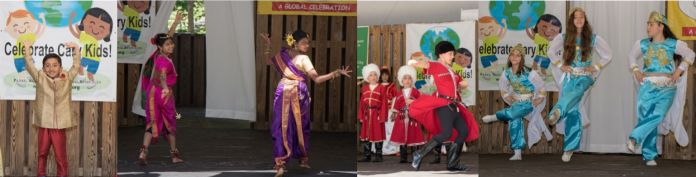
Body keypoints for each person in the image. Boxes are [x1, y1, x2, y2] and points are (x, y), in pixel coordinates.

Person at [259, 30, 351, 177]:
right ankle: (289, 160)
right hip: (290, 94)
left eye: (308, 43)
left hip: (290, 93)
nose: (307, 45)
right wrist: (336, 73)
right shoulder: (295, 57)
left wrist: (335, 73)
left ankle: (291, 159)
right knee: (290, 126)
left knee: (290, 126)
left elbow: (317, 79)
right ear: (294, 43)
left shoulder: (294, 57)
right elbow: (317, 79)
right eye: (304, 43)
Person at [626, 11, 695, 166]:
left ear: (660, 27)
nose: (648, 27)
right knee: (647, 117)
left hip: (667, 86)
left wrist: (679, 70)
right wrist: (636, 69)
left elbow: (690, 55)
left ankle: (634, 137)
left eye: (651, 24)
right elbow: (631, 56)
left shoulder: (672, 44)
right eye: (647, 24)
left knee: (658, 114)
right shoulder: (643, 44)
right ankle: (649, 155)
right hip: (647, 86)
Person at [546, 7, 613, 162]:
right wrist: (560, 65)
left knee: (576, 94)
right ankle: (569, 148)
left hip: (584, 77)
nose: (579, 20)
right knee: (572, 110)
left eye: (581, 17)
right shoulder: (564, 37)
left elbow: (608, 54)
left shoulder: (593, 38)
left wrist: (595, 67)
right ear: (572, 21)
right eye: (576, 17)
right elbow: (551, 52)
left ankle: (556, 112)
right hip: (569, 76)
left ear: (585, 19)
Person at [408, 41, 479, 171]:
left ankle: (453, 163)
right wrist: (413, 63)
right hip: (443, 105)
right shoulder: (435, 66)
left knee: (463, 131)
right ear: (441, 55)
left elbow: (462, 83)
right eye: (450, 54)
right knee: (446, 133)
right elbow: (424, 64)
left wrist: (461, 84)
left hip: (454, 105)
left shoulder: (451, 70)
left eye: (453, 54)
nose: (453, 57)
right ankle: (419, 153)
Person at [482, 44, 551, 161]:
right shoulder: (506, 73)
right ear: (509, 57)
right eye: (512, 55)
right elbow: (503, 88)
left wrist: (539, 98)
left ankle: (496, 116)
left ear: (521, 58)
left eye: (518, 56)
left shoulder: (530, 73)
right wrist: (508, 97)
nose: (515, 57)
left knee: (513, 114)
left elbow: (542, 87)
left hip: (528, 103)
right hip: (516, 104)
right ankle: (517, 152)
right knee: (515, 121)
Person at [23, 41, 81, 177]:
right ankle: (41, 174)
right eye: (47, 66)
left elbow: (76, 65)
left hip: (59, 126)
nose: (51, 68)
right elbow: (29, 65)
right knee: (42, 152)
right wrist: (27, 49)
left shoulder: (67, 78)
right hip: (44, 123)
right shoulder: (40, 77)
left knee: (60, 156)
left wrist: (76, 50)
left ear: (60, 67)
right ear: (43, 68)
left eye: (55, 65)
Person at [138, 12, 185, 166]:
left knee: (152, 122)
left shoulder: (159, 55)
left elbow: (166, 38)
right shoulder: (163, 61)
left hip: (152, 93)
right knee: (170, 123)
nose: (171, 45)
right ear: (160, 47)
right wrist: (165, 88)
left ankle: (143, 152)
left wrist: (175, 22)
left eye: (171, 43)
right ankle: (174, 155)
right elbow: (163, 76)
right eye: (167, 45)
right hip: (163, 95)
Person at [389, 65, 425, 163]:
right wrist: (394, 114)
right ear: (401, 80)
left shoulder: (416, 92)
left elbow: (421, 103)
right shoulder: (399, 93)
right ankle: (403, 158)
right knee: (402, 137)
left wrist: (413, 102)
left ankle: (415, 157)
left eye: (409, 78)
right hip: (401, 119)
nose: (407, 80)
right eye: (405, 78)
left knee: (414, 137)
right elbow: (396, 106)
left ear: (412, 79)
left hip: (413, 118)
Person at [358, 63, 388, 163]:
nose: (373, 77)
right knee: (367, 134)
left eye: (375, 74)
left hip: (377, 114)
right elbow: (362, 103)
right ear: (367, 77)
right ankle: (367, 155)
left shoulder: (382, 88)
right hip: (367, 115)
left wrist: (382, 116)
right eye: (370, 75)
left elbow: (384, 103)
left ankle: (379, 155)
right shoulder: (364, 88)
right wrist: (361, 115)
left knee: (378, 134)